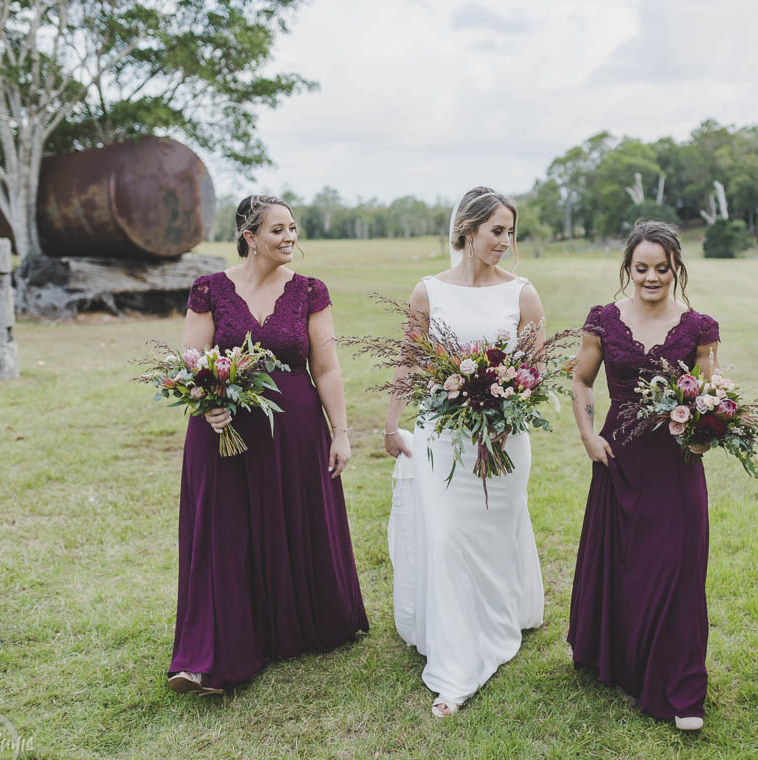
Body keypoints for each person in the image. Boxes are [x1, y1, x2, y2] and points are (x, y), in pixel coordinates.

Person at [167, 195, 368, 695]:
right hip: (223, 433)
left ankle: (294, 624)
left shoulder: (309, 291)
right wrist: (205, 401)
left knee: (292, 523)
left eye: (294, 229)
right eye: (278, 230)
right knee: (222, 534)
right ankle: (206, 655)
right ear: (249, 236)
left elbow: (326, 367)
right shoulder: (209, 289)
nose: (290, 238)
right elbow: (192, 360)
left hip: (295, 433)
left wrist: (340, 432)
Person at [383, 186, 545, 717]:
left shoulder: (522, 294)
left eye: (510, 232)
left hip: (504, 438)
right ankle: (456, 665)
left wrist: (506, 417)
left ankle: (494, 622)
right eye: (497, 231)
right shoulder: (428, 291)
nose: (505, 241)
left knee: (495, 534)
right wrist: (391, 423)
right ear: (468, 232)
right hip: (442, 437)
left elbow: (535, 374)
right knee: (449, 536)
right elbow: (409, 360)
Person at [567, 220, 720, 731]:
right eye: (641, 268)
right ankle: (620, 658)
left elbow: (708, 397)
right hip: (620, 453)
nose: (651, 277)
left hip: (676, 459)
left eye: (662, 268)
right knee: (624, 558)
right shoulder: (604, 319)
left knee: (677, 566)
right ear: (628, 269)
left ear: (676, 268)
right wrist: (589, 436)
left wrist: (705, 433)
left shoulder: (700, 327)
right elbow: (582, 380)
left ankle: (681, 686)